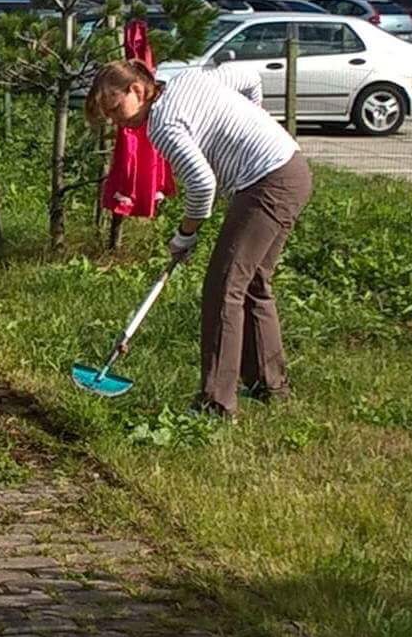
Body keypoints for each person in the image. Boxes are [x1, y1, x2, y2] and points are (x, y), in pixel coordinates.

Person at [85, 56, 312, 418]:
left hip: (267, 182)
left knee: (224, 288)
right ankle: (269, 387)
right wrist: (252, 121)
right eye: (109, 117)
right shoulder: (190, 78)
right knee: (253, 282)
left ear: (138, 89)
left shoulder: (162, 124)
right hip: (291, 169)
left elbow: (202, 185)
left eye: (115, 108)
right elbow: (249, 76)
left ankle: (215, 404)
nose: (117, 121)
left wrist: (184, 235)